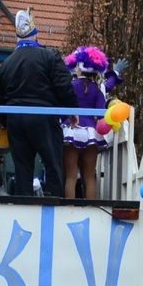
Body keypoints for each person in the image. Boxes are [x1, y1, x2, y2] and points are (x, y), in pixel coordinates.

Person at [0, 9, 78, 196]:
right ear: (35, 34)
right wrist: (72, 110)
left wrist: (7, 121)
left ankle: (25, 209)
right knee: (53, 163)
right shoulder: (50, 56)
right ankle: (53, 203)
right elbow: (64, 85)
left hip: (16, 118)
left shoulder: (6, 64)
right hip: (44, 116)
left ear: (17, 38)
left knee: (23, 168)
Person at [60, 45, 110, 199]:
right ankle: (90, 211)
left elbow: (63, 110)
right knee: (89, 178)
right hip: (91, 134)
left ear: (78, 69)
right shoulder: (97, 88)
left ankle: (69, 210)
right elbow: (101, 113)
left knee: (71, 177)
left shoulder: (70, 86)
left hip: (72, 131)